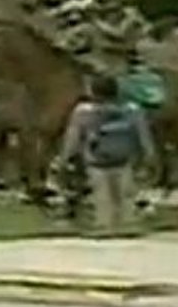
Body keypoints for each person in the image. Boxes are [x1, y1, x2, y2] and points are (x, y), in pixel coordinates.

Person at [54, 74, 156, 237]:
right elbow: (143, 134)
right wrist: (149, 155)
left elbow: (73, 137)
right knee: (126, 193)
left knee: (102, 195)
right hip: (124, 159)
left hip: (96, 160)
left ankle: (104, 225)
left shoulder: (83, 112)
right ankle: (128, 223)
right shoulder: (132, 110)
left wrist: (64, 159)